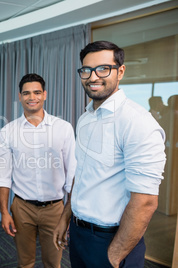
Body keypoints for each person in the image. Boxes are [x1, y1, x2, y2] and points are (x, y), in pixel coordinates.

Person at [53, 41, 166, 268]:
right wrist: (66, 216)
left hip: (112, 241)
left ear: (120, 71)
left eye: (103, 69)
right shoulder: (86, 118)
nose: (93, 77)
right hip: (79, 233)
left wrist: (113, 256)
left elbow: (145, 201)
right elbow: (82, 174)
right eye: (86, 70)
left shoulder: (137, 122)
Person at [0, 73, 76, 268]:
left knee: (53, 263)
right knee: (25, 263)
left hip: (55, 208)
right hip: (22, 208)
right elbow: (3, 176)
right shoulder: (8, 131)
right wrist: (4, 212)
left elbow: (72, 174)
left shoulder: (63, 128)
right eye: (27, 93)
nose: (32, 97)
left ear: (45, 94)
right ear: (20, 96)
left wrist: (69, 212)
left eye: (37, 92)